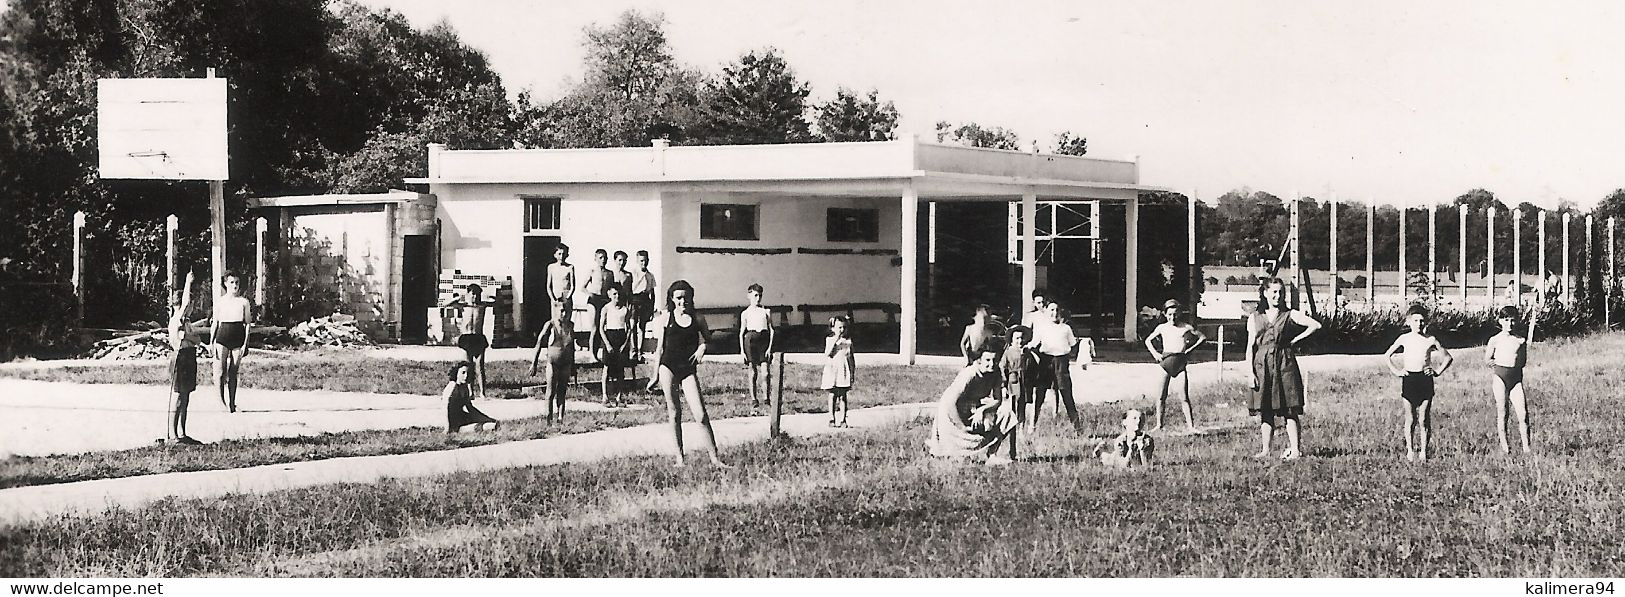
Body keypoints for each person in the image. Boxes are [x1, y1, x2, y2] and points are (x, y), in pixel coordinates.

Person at [650, 280, 728, 467]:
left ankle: (715, 459)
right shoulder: (666, 318)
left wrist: (702, 347)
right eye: (678, 298)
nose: (682, 301)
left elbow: (709, 340)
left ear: (691, 298)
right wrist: (654, 375)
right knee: (674, 412)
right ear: (671, 298)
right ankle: (680, 458)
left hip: (687, 369)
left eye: (685, 297)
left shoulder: (698, 319)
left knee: (700, 414)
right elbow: (659, 349)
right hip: (667, 367)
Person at [1245, 277, 1322, 460]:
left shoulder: (1290, 315)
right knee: (1265, 409)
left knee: (1290, 408)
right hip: (1262, 366)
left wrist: (1294, 340)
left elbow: (1315, 325)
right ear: (1265, 293)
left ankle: (1295, 450)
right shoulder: (1254, 318)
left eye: (1280, 292)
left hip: (1284, 364)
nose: (1277, 296)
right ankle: (1265, 450)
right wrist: (1250, 372)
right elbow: (1250, 347)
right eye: (1273, 292)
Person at [1383, 304, 1454, 461]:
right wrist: (1397, 371)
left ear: (1426, 322)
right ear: (1408, 321)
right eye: (1415, 320)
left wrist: (1437, 371)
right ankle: (1410, 450)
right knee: (1410, 418)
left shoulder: (1430, 340)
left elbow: (1448, 357)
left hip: (1425, 380)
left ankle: (1424, 451)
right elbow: (1387, 355)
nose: (1419, 324)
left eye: (1422, 321)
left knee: (1423, 418)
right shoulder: (1404, 338)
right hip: (1409, 379)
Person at [927, 350, 1017, 466]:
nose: (992, 364)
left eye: (995, 360)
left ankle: (991, 454)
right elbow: (951, 402)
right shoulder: (969, 373)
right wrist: (962, 426)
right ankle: (954, 454)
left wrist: (982, 410)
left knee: (1007, 414)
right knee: (952, 454)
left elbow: (997, 400)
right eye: (987, 360)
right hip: (952, 410)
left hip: (974, 408)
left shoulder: (996, 373)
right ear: (979, 360)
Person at [1144, 298, 1207, 432]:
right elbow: (1148, 340)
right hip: (1165, 363)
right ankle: (1159, 425)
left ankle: (1191, 426)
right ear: (1165, 315)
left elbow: (1202, 337)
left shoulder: (1185, 327)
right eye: (1170, 314)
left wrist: (1190, 350)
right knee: (1161, 396)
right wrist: (1155, 354)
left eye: (1175, 314)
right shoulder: (1162, 328)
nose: (1172, 317)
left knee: (1184, 397)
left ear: (1179, 314)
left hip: (1180, 364)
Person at [1024, 302, 1082, 434]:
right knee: (1040, 394)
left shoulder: (1066, 328)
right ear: (1046, 312)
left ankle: (1078, 428)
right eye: (1051, 310)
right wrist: (1024, 347)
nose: (1054, 313)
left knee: (1066, 394)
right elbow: (1034, 343)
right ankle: (1031, 427)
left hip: (1061, 362)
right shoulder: (1042, 328)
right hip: (1045, 362)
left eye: (1056, 310)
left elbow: (1073, 345)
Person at [1485, 305, 1532, 454]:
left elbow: (1523, 361)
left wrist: (1516, 365)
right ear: (1500, 321)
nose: (1509, 324)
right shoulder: (1494, 339)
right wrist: (1490, 362)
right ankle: (1505, 447)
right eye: (1506, 320)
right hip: (1500, 377)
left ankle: (1527, 447)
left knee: (1523, 413)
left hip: (1516, 379)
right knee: (1503, 411)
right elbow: (1487, 358)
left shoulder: (1520, 340)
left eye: (1512, 320)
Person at [164, 271, 204, 445]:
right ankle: (172, 435)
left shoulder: (186, 322)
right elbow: (192, 339)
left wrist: (192, 338)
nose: (191, 308)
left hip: (189, 356)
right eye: (189, 306)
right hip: (180, 357)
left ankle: (182, 433)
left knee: (186, 396)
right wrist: (188, 282)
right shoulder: (176, 320)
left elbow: (196, 339)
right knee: (179, 397)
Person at [210, 272, 253, 413]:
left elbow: (247, 324)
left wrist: (245, 343)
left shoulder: (244, 302)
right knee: (221, 372)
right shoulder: (220, 301)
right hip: (222, 336)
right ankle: (221, 402)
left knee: (233, 371)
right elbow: (215, 323)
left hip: (238, 337)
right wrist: (211, 342)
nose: (235, 285)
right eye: (232, 282)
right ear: (226, 284)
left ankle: (232, 404)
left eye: (237, 282)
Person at [530, 306, 574, 423]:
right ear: (556, 311)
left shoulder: (570, 326)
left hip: (566, 363)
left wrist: (573, 365)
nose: (563, 314)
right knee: (550, 391)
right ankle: (548, 419)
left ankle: (560, 419)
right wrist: (534, 363)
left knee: (562, 391)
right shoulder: (550, 325)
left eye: (566, 311)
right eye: (561, 311)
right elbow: (539, 343)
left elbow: (572, 347)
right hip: (553, 363)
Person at [448, 283, 491, 398]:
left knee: (480, 367)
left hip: (478, 337)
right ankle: (470, 392)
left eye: (477, 295)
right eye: (472, 294)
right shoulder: (464, 306)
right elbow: (447, 304)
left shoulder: (482, 306)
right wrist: (458, 298)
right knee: (468, 366)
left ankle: (482, 393)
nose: (475, 297)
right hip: (467, 338)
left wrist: (489, 297)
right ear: (468, 294)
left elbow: (497, 303)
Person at [738, 283, 776, 413]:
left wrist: (770, 347)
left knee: (765, 373)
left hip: (763, 340)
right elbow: (741, 333)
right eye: (755, 295)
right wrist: (742, 351)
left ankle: (766, 398)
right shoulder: (745, 313)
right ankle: (754, 399)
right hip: (750, 340)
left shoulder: (766, 311)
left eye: (760, 295)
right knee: (753, 371)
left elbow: (771, 330)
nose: (758, 298)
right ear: (749, 296)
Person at [597, 284, 634, 407]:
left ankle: (619, 397)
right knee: (607, 369)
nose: (617, 296)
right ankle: (605, 397)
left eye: (618, 294)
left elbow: (629, 328)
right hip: (610, 337)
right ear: (609, 295)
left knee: (620, 370)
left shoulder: (625, 309)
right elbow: (601, 328)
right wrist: (607, 344)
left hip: (621, 338)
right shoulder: (606, 308)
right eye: (614, 294)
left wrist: (625, 343)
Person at [444, 362, 499, 433]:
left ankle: (489, 425)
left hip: (462, 417)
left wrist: (486, 418)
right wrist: (447, 428)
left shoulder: (464, 387)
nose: (466, 376)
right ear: (456, 373)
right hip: (453, 422)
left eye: (468, 373)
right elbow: (445, 407)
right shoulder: (452, 386)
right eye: (463, 373)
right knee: (481, 427)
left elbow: (470, 408)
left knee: (489, 423)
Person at [821, 316, 856, 427]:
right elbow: (828, 353)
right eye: (839, 327)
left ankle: (843, 419)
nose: (842, 330)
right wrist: (836, 341)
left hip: (843, 370)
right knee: (832, 394)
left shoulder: (848, 342)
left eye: (844, 328)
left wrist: (852, 372)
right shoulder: (829, 340)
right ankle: (831, 418)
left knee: (843, 395)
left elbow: (851, 357)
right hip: (832, 370)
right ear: (833, 329)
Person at [1000, 326, 1036, 429]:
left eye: (1021, 338)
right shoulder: (1008, 352)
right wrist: (1003, 384)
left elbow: (1032, 367)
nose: (1019, 341)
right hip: (1013, 381)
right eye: (1017, 338)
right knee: (1012, 404)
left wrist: (1026, 354)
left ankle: (1021, 428)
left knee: (1022, 405)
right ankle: (1011, 428)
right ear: (1011, 339)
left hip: (1025, 382)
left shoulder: (1026, 353)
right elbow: (1002, 368)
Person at [629, 250, 657, 363]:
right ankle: (632, 351)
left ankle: (640, 352)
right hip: (634, 299)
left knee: (642, 327)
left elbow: (652, 294)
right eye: (641, 261)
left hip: (645, 300)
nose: (643, 263)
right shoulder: (633, 273)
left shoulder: (650, 275)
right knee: (632, 326)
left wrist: (651, 309)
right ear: (637, 261)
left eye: (645, 261)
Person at [581, 248, 614, 345]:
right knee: (594, 327)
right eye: (600, 258)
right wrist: (590, 294)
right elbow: (582, 287)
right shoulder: (592, 271)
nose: (603, 260)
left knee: (603, 326)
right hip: (594, 300)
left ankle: (605, 350)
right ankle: (592, 353)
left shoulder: (609, 273)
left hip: (604, 300)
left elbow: (611, 288)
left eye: (605, 258)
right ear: (595, 259)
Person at [547, 244, 576, 316]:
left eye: (563, 254)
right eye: (559, 254)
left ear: (567, 255)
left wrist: (567, 298)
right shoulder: (551, 267)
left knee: (566, 320)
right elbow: (548, 286)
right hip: (556, 298)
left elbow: (572, 286)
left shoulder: (570, 267)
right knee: (556, 321)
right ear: (555, 255)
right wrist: (553, 300)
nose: (561, 256)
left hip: (567, 298)